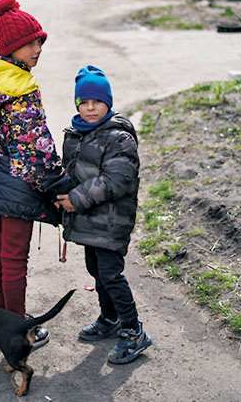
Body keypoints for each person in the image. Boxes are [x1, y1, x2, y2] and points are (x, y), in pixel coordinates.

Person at [0, 0, 73, 348]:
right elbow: (36, 146)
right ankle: (16, 326)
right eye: (30, 43)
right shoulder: (21, 89)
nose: (38, 48)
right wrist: (60, 185)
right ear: (12, 48)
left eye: (40, 40)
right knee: (14, 258)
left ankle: (1, 321)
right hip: (19, 184)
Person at [54, 65, 153, 365]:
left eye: (96, 101)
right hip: (88, 220)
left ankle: (134, 330)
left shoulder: (118, 138)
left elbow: (117, 180)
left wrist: (76, 199)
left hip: (111, 221)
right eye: (83, 102)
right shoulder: (75, 135)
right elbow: (71, 172)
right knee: (96, 271)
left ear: (108, 102)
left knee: (111, 274)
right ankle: (110, 318)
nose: (90, 107)